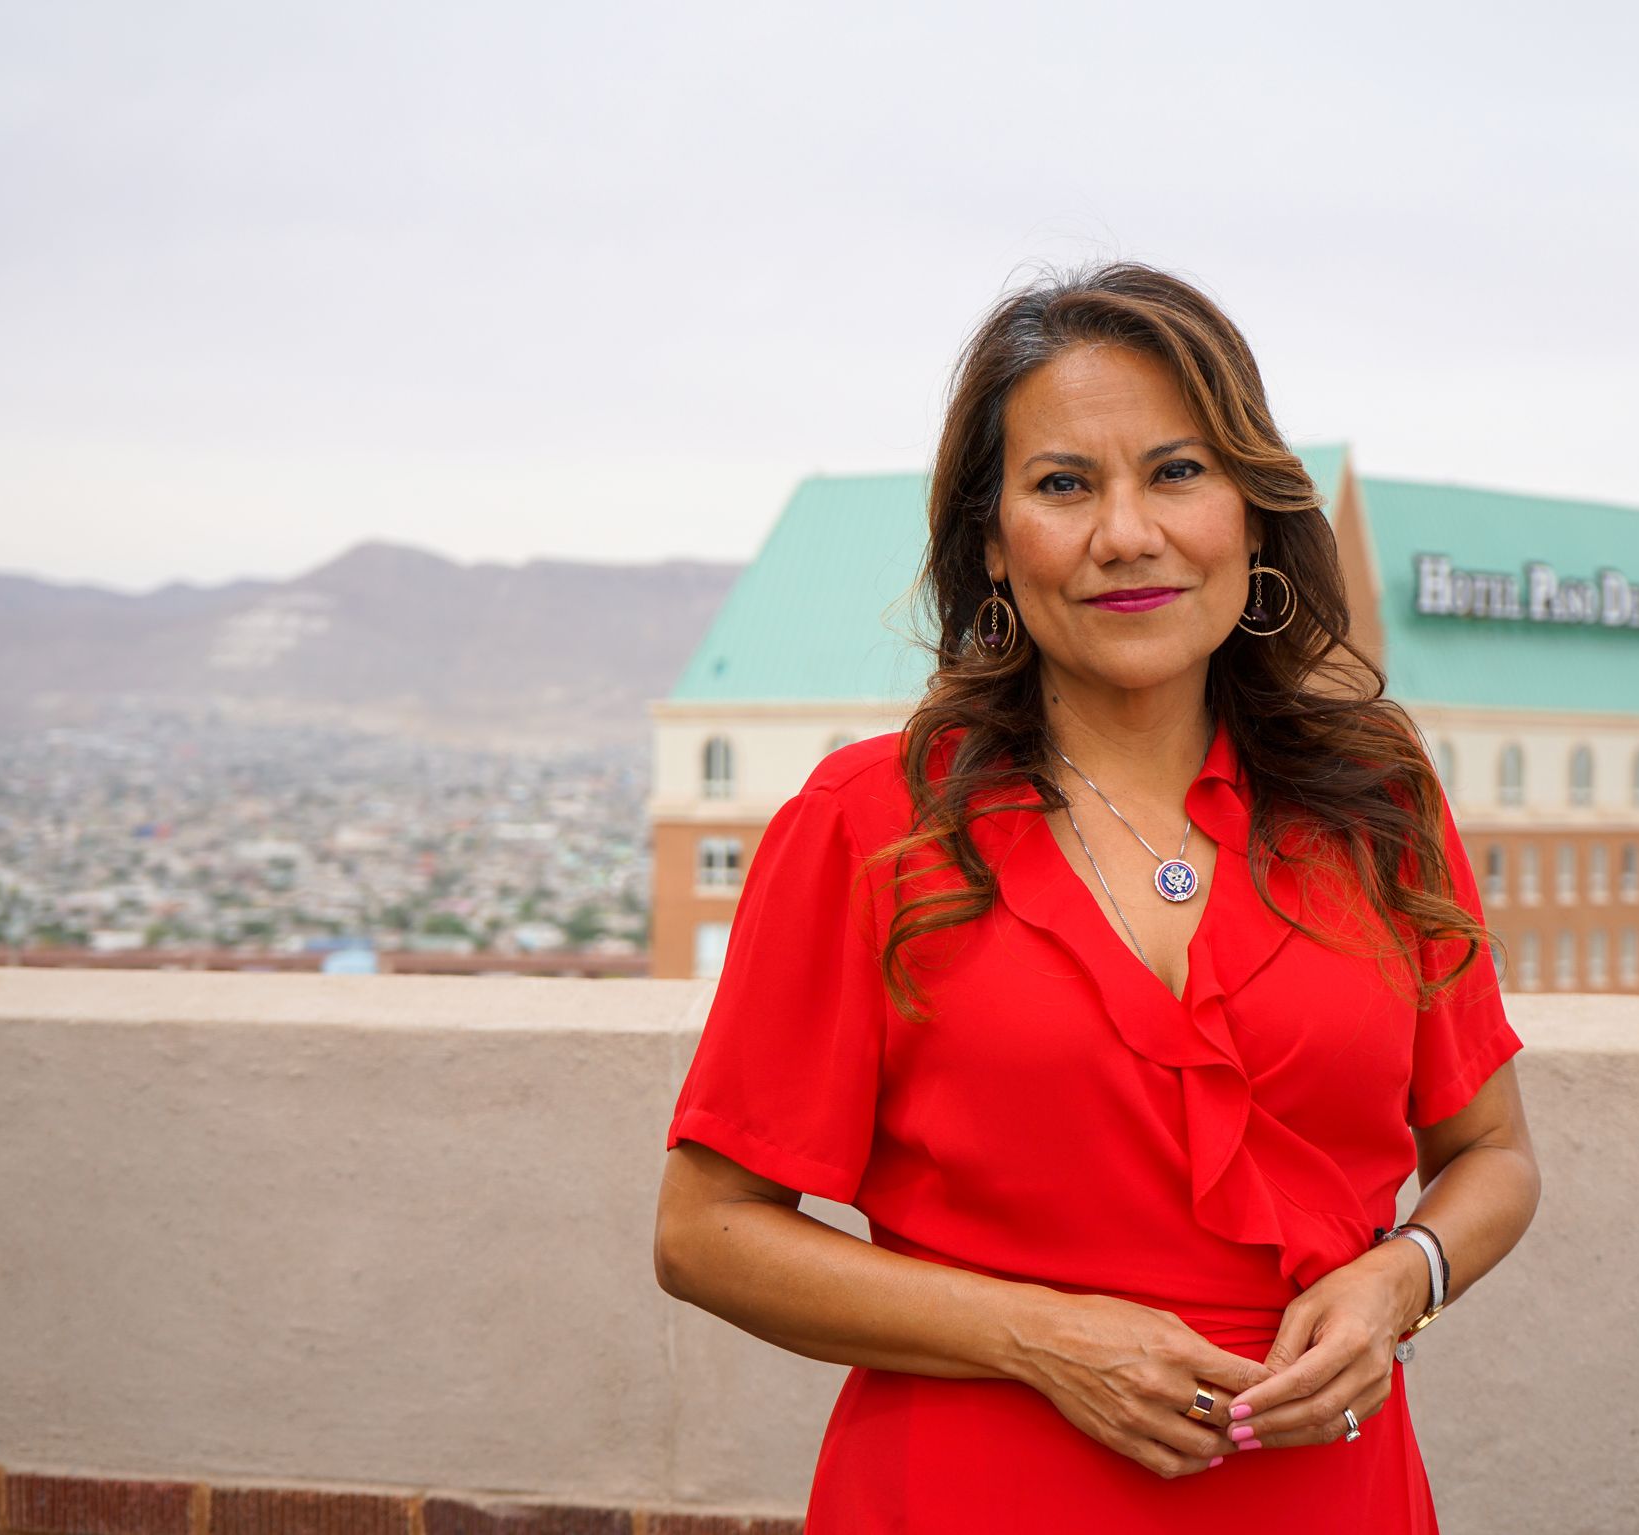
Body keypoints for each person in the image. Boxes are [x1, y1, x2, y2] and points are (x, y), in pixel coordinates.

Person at [653, 262, 1540, 1532]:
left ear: (1248, 511)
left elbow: (1491, 1155)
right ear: (991, 544)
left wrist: (1404, 1275)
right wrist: (1039, 1336)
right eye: (1064, 484)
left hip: (1323, 1490)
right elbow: (704, 1232)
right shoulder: (865, 826)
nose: (1126, 533)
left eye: (1176, 471)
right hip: (969, 1491)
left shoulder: (1375, 804)